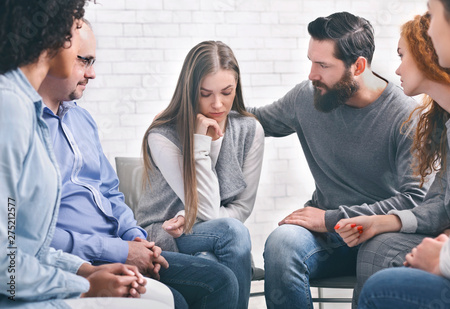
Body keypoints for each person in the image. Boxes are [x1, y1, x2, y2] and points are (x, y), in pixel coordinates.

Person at [39, 21, 238, 309]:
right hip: (82, 258)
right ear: (51, 56)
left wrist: (135, 237)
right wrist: (120, 250)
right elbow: (23, 235)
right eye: (85, 61)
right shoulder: (22, 129)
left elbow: (110, 193)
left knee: (221, 280)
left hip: (120, 246)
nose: (92, 73)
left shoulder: (82, 120)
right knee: (178, 301)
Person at [248, 11, 430, 308]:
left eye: (322, 65)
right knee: (281, 244)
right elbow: (255, 120)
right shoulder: (306, 97)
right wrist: (194, 111)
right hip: (326, 240)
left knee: (379, 254)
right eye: (311, 61)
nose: (311, 74)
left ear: (357, 66)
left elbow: (416, 200)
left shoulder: (406, 116)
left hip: (379, 236)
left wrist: (331, 219)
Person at [0, 1, 167, 308]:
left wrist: (86, 273)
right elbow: (6, 267)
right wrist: (83, 286)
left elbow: (27, 248)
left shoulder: (29, 109)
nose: (90, 72)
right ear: (54, 38)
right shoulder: (10, 108)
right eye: (72, 31)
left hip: (44, 276)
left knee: (162, 297)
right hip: (19, 297)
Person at [358, 0, 450, 308]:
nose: (429, 28)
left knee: (381, 285)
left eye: (433, 16)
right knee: (379, 248)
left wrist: (443, 256)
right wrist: (390, 221)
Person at [333, 13, 450, 308]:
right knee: (377, 246)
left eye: (402, 55)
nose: (397, 68)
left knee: (380, 266)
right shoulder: (449, 122)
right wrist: (384, 221)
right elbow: (442, 203)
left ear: (427, 55)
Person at [137, 40, 265, 309]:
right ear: (189, 91)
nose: (217, 104)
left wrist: (188, 214)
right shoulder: (163, 134)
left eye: (227, 92)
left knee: (222, 244)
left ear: (236, 88)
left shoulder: (250, 130)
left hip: (212, 232)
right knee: (231, 233)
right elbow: (205, 206)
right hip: (165, 231)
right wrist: (201, 144)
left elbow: (241, 208)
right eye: (205, 93)